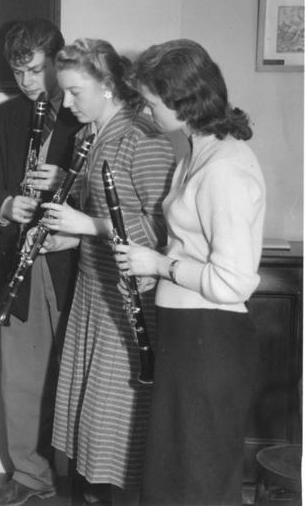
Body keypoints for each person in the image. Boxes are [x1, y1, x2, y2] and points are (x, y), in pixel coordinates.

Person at [113, 39, 265, 505]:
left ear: (182, 102)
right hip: (187, 336)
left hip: (209, 339)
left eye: (153, 103)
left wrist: (160, 265)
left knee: (199, 476)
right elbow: (193, 249)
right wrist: (155, 270)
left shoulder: (224, 170)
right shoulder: (194, 154)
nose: (148, 111)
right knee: (175, 472)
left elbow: (234, 281)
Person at [38, 38, 175, 504]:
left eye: (76, 91)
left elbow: (162, 230)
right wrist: (73, 236)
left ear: (110, 85)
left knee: (118, 421)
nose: (68, 103)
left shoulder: (144, 137)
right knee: (91, 417)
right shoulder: (86, 136)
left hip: (129, 298)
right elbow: (108, 219)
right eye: (64, 92)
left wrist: (87, 225)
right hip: (94, 290)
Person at [0, 19, 83, 506]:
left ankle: (88, 480)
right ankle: (30, 475)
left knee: (84, 373)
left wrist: (64, 179)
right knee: (21, 377)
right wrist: (4, 204)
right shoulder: (3, 118)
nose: (26, 83)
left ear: (58, 63)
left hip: (75, 262)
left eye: (36, 71)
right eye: (18, 72)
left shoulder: (88, 112)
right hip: (22, 259)